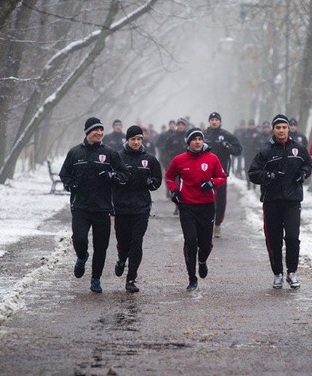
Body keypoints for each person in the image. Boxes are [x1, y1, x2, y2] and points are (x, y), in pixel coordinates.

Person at [59, 116, 127, 293]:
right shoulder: (75, 153)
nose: (100, 133)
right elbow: (64, 174)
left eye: (101, 130)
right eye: (96, 130)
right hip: (80, 207)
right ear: (88, 132)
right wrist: (70, 184)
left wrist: (112, 177)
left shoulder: (110, 153)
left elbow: (124, 174)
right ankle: (82, 257)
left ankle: (96, 279)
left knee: (101, 246)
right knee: (79, 239)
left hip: (102, 208)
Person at [248, 114, 312, 289]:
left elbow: (307, 165)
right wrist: (269, 175)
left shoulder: (298, 149)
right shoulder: (266, 151)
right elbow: (253, 173)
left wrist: (303, 174)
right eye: (278, 128)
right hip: (272, 201)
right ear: (274, 130)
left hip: (292, 201)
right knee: (274, 239)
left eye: (284, 127)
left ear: (288, 129)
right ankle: (277, 273)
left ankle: (292, 272)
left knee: (292, 237)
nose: (281, 131)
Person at [164, 128, 226, 291]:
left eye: (200, 139)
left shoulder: (212, 158)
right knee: (191, 241)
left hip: (206, 205)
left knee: (205, 243)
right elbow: (170, 176)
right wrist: (174, 190)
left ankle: (202, 260)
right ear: (188, 142)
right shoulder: (179, 160)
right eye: (194, 139)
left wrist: (212, 182)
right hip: (187, 205)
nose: (198, 142)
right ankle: (192, 278)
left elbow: (222, 177)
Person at [113, 125, 163, 293]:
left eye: (139, 139)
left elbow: (157, 178)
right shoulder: (118, 157)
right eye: (133, 139)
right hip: (121, 207)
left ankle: (131, 278)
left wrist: (152, 183)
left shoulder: (149, 159)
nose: (136, 142)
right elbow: (111, 179)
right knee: (123, 243)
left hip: (141, 208)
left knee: (137, 242)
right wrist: (117, 180)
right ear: (127, 140)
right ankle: (121, 259)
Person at [203, 112, 242, 238]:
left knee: (220, 201)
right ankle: (206, 224)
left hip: (221, 173)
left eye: (216, 120)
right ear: (209, 121)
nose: (214, 122)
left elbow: (238, 150)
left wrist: (228, 147)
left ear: (220, 122)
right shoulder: (203, 135)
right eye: (212, 119)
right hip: (205, 173)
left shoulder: (226, 135)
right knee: (205, 199)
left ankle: (218, 224)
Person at [241, 119, 261, 190]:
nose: (251, 126)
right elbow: (242, 142)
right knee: (247, 169)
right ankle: (248, 184)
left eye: (252, 124)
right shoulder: (245, 133)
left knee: (255, 170)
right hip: (247, 154)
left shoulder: (258, 133)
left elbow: (260, 143)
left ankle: (254, 184)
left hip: (255, 155)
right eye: (250, 124)